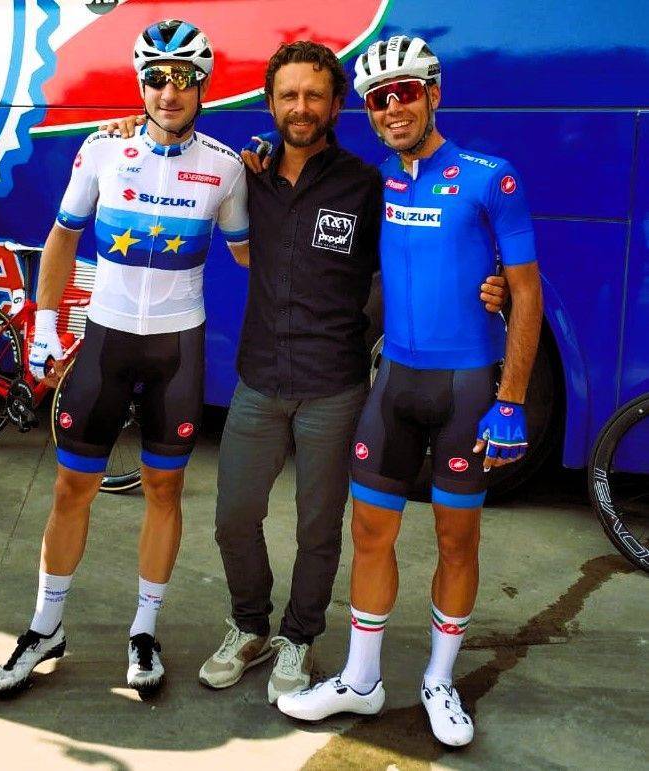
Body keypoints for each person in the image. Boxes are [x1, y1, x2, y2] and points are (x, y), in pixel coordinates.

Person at [106, 40, 506, 705]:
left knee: (318, 529)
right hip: (258, 381)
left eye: (314, 95)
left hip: (334, 387)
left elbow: (427, 245)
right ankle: (249, 625)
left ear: (336, 104)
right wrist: (125, 128)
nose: (300, 107)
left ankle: (298, 636)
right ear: (270, 104)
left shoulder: (366, 184)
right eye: (288, 95)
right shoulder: (249, 175)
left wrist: (492, 284)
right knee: (233, 516)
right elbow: (170, 156)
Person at [276, 35, 543, 748]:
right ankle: (361, 680)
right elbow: (302, 178)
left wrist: (511, 400)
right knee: (370, 533)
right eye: (377, 99)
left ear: (433, 95)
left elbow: (525, 292)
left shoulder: (490, 178)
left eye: (404, 93)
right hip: (393, 382)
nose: (392, 108)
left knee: (457, 539)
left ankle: (438, 679)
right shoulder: (377, 182)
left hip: (465, 388)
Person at [0, 19, 249, 695]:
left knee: (164, 490)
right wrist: (46, 325)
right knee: (70, 488)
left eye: (183, 77)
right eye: (156, 77)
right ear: (140, 84)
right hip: (105, 343)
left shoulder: (225, 167)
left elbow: (252, 254)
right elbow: (62, 236)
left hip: (177, 351)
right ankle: (45, 626)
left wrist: (275, 179)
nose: (169, 91)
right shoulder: (103, 149)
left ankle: (144, 632)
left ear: (203, 86)